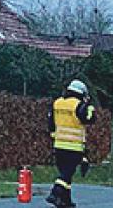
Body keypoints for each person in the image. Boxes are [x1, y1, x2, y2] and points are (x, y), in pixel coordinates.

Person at [46, 80, 96, 208]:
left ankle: (65, 202)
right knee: (67, 172)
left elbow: (51, 123)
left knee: (65, 173)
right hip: (74, 146)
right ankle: (55, 192)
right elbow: (89, 119)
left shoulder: (57, 103)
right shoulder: (79, 105)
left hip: (59, 145)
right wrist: (89, 106)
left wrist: (54, 138)